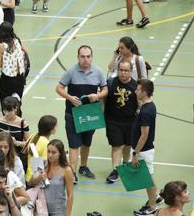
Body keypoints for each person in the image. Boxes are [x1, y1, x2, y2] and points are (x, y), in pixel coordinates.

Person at [55, 45, 107, 183]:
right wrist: (70, 98)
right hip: (73, 113)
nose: (85, 59)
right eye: (82, 56)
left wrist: (97, 95)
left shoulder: (98, 72)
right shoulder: (71, 72)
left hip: (90, 114)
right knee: (74, 144)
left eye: (88, 56)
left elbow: (105, 89)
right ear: (78, 57)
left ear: (91, 57)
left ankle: (83, 167)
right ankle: (72, 172)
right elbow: (59, 88)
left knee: (86, 142)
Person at [98, 59, 138, 184]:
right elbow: (102, 99)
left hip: (131, 121)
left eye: (126, 70)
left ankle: (125, 166)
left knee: (127, 145)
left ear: (131, 71)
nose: (123, 73)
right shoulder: (110, 83)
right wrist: (101, 114)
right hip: (113, 120)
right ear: (118, 70)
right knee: (116, 146)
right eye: (121, 70)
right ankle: (115, 170)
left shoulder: (136, 86)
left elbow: (140, 103)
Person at [130, 79, 159, 216]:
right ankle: (156, 198)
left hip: (144, 150)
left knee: (148, 179)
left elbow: (144, 135)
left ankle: (153, 207)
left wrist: (135, 153)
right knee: (148, 177)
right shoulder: (145, 106)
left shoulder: (147, 111)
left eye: (138, 89)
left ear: (145, 92)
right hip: (143, 149)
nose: (135, 91)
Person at [27, 140, 75, 216]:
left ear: (60, 153)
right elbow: (30, 182)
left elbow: (70, 195)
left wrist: (68, 214)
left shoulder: (67, 170)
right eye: (48, 151)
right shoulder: (42, 164)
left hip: (58, 212)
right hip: (41, 210)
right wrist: (38, 178)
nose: (50, 155)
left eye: (53, 152)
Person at [0, 96, 30, 163]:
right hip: (2, 156)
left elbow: (28, 144)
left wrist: (16, 142)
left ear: (16, 108)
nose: (6, 113)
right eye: (4, 110)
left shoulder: (22, 123)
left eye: (9, 111)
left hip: (16, 156)